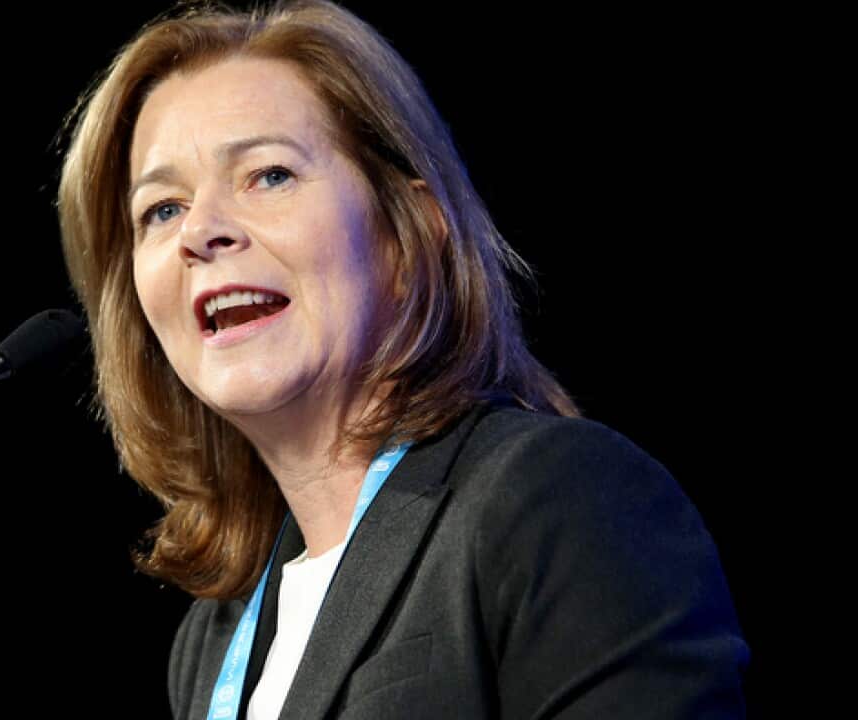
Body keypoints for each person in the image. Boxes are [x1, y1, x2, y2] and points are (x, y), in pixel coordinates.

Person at [54, 1, 750, 718]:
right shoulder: (212, 637)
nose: (200, 231)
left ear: (408, 233)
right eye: (161, 210)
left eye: (268, 175)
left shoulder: (557, 503)